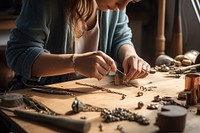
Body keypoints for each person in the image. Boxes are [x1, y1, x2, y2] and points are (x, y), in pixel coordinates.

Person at [6, 0, 150, 89]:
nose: (122, 6)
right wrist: (74, 63)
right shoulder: (46, 2)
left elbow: (120, 37)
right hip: (42, 98)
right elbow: (19, 54)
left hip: (90, 96)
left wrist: (130, 55)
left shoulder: (114, 5)